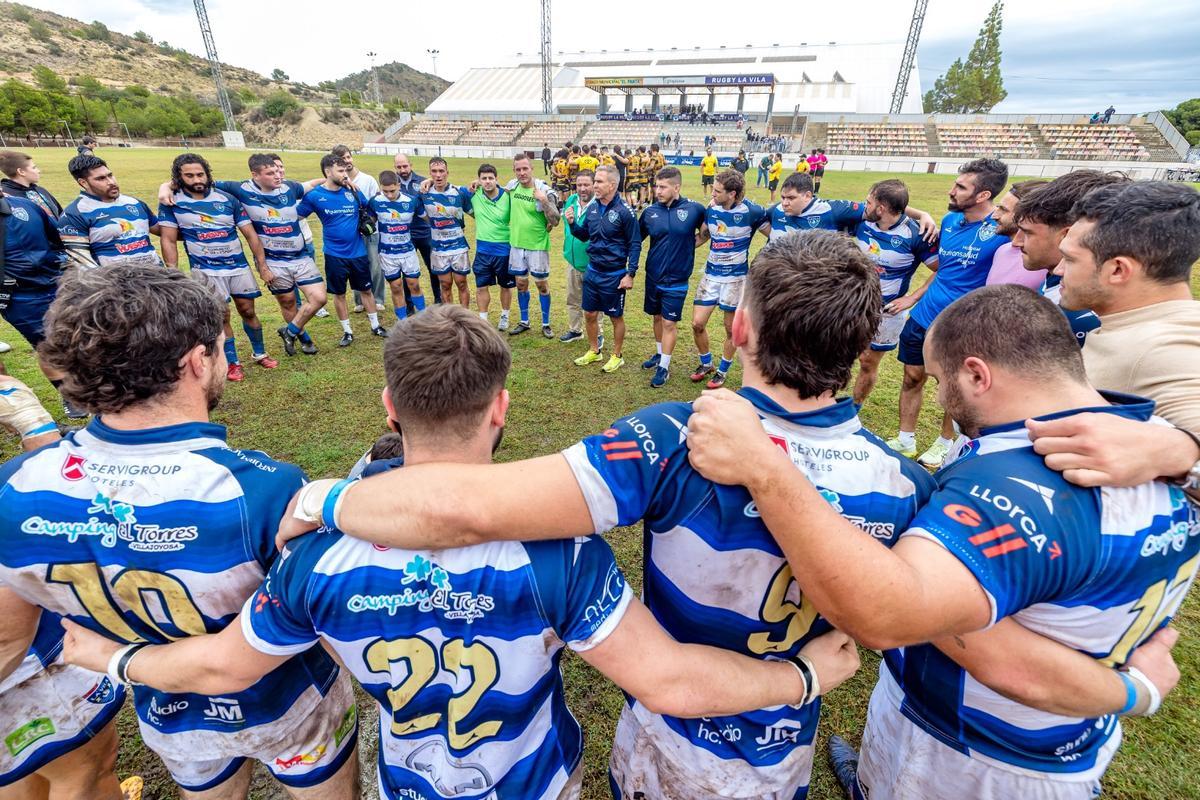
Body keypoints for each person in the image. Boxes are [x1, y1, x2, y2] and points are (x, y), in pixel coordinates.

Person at [267, 233, 1115, 800]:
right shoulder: (907, 484)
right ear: (863, 354)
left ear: (738, 325)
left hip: (670, 733)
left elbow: (467, 506)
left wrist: (325, 498)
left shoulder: (677, 436)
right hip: (782, 738)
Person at [61, 303, 861, 800]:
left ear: (388, 405)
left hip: (410, 777)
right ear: (501, 408)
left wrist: (112, 658)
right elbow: (674, 683)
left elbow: (222, 669)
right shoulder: (566, 555)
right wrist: (801, 676)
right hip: (533, 779)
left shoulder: (314, 556)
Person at [683, 283, 1195, 800]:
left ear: (976, 374)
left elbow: (890, 614)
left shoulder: (1013, 486)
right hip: (1058, 734)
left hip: (975, 750)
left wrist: (764, 467)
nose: (940, 398)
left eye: (938, 379)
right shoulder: (1156, 445)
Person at [0, 265, 359, 799]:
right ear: (196, 360)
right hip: (287, 703)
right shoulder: (262, 489)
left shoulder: (16, 486)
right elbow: (331, 626)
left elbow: (9, 639)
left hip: (170, 714)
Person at [891, 158, 1010, 468]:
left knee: (954, 388)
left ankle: (945, 443)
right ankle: (905, 439)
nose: (952, 190)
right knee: (911, 377)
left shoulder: (1001, 232)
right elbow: (944, 269)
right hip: (923, 317)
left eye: (960, 187)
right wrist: (914, 297)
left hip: (962, 326)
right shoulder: (948, 221)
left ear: (983, 195)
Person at [1060, 181, 1200, 432]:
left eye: (1070, 260)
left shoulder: (1165, 349)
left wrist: (1185, 453)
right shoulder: (1137, 325)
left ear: (1117, 270)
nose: (1059, 270)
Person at [184, 154, 327, 357]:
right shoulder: (240, 189)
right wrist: (167, 187)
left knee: (319, 298)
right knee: (287, 302)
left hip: (300, 256)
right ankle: (303, 338)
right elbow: (200, 183)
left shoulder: (289, 187)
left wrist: (334, 178)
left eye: (278, 171)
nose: (278, 176)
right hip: (272, 260)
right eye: (271, 173)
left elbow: (311, 184)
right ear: (255, 175)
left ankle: (290, 330)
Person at [157, 154, 277, 383]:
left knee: (248, 311)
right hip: (206, 270)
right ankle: (233, 363)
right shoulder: (173, 202)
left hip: (237, 266)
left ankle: (260, 352)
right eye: (189, 175)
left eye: (200, 174)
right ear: (178, 177)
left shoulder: (227, 198)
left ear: (207, 173)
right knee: (222, 315)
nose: (196, 179)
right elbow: (168, 240)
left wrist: (262, 266)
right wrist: (172, 272)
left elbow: (250, 234)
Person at [1014, 170, 1129, 345]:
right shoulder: (1055, 282)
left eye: (1027, 233)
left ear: (1068, 234)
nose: (1016, 242)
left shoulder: (1085, 319)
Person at [850, 179, 939, 406]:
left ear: (881, 208)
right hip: (852, 303)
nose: (864, 205)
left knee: (868, 361)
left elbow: (944, 270)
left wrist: (912, 297)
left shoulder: (917, 235)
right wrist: (924, 212)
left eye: (869, 202)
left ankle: (854, 408)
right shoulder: (861, 220)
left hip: (886, 310)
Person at [297, 154, 386, 346]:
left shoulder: (353, 191)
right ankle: (347, 331)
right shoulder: (315, 196)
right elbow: (297, 216)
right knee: (339, 294)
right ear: (328, 172)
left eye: (346, 170)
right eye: (340, 170)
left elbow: (369, 209)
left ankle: (375, 325)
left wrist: (368, 223)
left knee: (366, 290)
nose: (345, 174)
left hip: (358, 252)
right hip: (334, 254)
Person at [690, 169, 767, 389]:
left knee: (730, 329)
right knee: (697, 324)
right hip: (711, 276)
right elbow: (703, 237)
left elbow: (774, 235)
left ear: (732, 193)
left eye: (717, 191)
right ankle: (706, 364)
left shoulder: (752, 211)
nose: (712, 194)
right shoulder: (712, 208)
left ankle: (722, 370)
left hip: (736, 280)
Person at [565, 164, 639, 373]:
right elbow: (584, 235)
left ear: (612, 184)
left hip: (614, 275)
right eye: (594, 181)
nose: (594, 185)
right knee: (589, 313)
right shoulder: (593, 208)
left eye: (598, 182)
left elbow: (635, 243)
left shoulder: (625, 212)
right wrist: (572, 224)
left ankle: (617, 355)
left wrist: (630, 273)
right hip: (593, 271)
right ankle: (594, 351)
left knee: (616, 317)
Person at [637, 166, 706, 388]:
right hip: (653, 276)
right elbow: (637, 239)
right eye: (656, 186)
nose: (658, 190)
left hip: (677, 279)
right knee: (657, 318)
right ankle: (659, 354)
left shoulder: (695, 209)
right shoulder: (649, 213)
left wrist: (690, 245)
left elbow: (706, 233)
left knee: (669, 322)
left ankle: (664, 368)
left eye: (663, 187)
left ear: (677, 187)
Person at [59, 154, 161, 269]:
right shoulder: (74, 214)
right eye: (101, 178)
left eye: (110, 175)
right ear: (83, 183)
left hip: (155, 278)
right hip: (116, 283)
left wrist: (169, 187)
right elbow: (82, 264)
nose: (111, 182)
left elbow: (165, 231)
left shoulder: (134, 203)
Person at [504, 153, 560, 338]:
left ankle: (546, 323)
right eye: (518, 169)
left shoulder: (544, 190)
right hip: (517, 245)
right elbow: (493, 189)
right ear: (514, 171)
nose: (522, 173)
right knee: (520, 284)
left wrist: (543, 201)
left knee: (542, 285)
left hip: (537, 246)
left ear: (531, 169)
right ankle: (524, 321)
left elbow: (556, 220)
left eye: (525, 168)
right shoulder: (512, 186)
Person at [270, 154, 329, 320]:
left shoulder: (292, 187)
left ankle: (313, 306)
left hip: (305, 242)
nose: (279, 171)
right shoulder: (264, 193)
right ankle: (296, 309)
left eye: (281, 167)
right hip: (280, 249)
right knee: (289, 286)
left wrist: (340, 179)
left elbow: (314, 183)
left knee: (310, 278)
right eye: (275, 168)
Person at [332, 145, 385, 315]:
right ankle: (360, 300)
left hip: (370, 232)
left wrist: (368, 224)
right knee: (355, 266)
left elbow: (375, 204)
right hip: (350, 235)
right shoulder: (336, 183)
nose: (346, 161)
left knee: (375, 266)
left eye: (348, 157)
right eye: (342, 159)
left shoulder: (367, 179)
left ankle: (377, 299)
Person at [370, 169, 427, 321]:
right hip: (387, 253)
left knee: (413, 284)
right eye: (385, 191)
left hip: (408, 251)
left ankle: (424, 319)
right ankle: (402, 322)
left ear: (399, 185)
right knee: (396, 287)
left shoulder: (411, 201)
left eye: (392, 190)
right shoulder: (375, 202)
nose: (389, 195)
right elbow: (369, 223)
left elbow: (428, 218)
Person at [417, 157, 473, 309]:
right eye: (434, 172)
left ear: (447, 172)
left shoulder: (459, 192)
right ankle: (450, 318)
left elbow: (475, 212)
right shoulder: (423, 193)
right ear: (430, 173)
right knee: (445, 284)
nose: (438, 175)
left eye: (441, 171)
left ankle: (464, 317)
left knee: (462, 283)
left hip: (458, 246)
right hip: (438, 248)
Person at [393, 154, 442, 308]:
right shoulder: (392, 184)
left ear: (410, 164)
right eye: (399, 167)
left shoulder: (422, 181)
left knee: (434, 267)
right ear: (395, 168)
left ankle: (439, 301)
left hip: (425, 232)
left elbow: (440, 181)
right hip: (404, 235)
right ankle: (409, 306)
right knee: (407, 272)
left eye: (405, 166)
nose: (403, 170)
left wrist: (431, 180)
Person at [469, 163, 514, 329]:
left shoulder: (508, 196)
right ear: (479, 180)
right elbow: (447, 186)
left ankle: (505, 315)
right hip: (483, 250)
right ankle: (483, 320)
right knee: (481, 286)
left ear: (496, 179)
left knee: (505, 286)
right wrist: (429, 180)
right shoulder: (474, 193)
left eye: (490, 178)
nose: (487, 181)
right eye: (484, 178)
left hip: (504, 250)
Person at [985, 179, 1048, 289]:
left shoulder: (1045, 261)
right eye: (998, 207)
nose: (993, 216)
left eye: (1004, 210)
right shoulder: (1001, 251)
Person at [559, 170, 595, 344]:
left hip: (592, 263)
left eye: (586, 185)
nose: (582, 189)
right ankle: (575, 330)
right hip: (572, 261)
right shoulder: (571, 201)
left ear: (594, 185)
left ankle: (598, 332)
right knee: (572, 298)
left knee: (594, 302)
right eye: (579, 185)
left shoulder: (599, 206)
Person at [0, 150, 63, 219]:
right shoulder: (6, 197)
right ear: (21, 172)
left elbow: (61, 215)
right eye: (34, 167)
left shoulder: (40, 190)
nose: (38, 171)